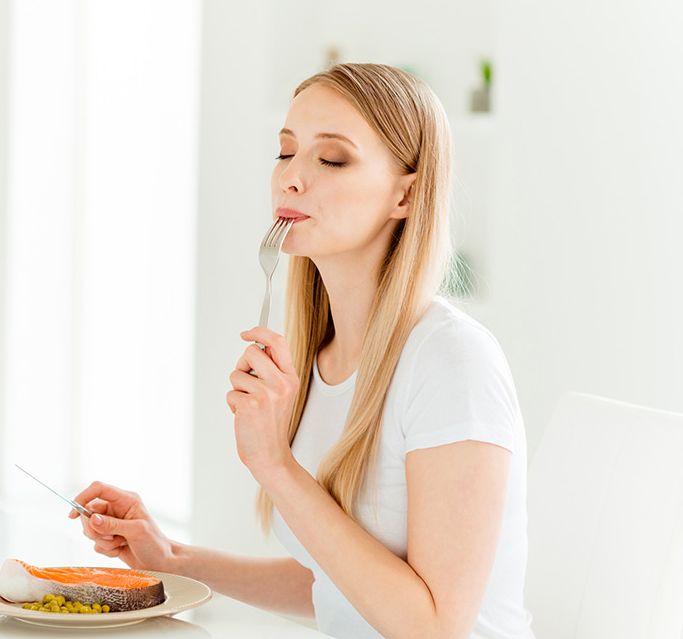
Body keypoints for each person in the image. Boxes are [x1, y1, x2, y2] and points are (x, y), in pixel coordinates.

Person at [69, 63, 535, 639]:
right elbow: (338, 586)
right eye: (285, 152)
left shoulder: (452, 362)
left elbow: (435, 628)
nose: (290, 178)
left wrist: (275, 465)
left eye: (331, 159)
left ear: (406, 194)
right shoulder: (320, 357)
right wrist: (172, 560)